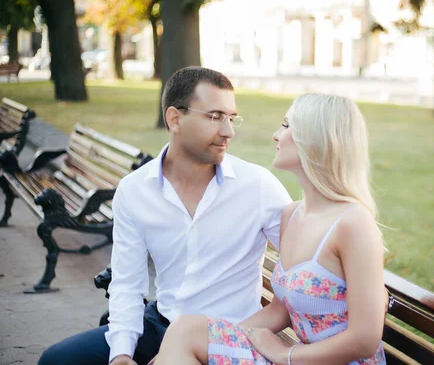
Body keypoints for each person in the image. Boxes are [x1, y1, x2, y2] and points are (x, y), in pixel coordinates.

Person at [38, 67, 292, 365]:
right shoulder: (135, 191)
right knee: (56, 360)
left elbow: (302, 267)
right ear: (175, 119)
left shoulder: (258, 187)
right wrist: (121, 354)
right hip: (161, 324)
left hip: (232, 337)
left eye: (231, 118)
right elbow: (127, 285)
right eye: (214, 116)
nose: (228, 131)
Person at [153, 93, 388, 365]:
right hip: (297, 356)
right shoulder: (292, 215)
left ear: (316, 139)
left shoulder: (353, 223)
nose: (277, 135)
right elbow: (279, 311)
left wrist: (284, 354)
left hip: (325, 360)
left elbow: (365, 339)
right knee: (183, 331)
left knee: (184, 337)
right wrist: (190, 345)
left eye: (287, 126)